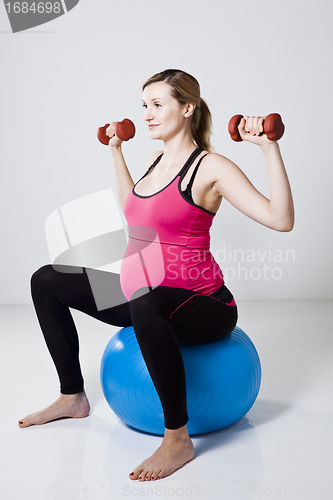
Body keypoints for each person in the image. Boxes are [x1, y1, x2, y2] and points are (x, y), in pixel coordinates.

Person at [18, 69, 294, 481]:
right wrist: (115, 152)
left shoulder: (212, 167)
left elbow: (281, 219)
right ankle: (71, 396)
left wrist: (269, 148)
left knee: (147, 298)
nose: (147, 114)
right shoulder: (154, 160)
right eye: (143, 105)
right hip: (143, 293)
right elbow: (133, 209)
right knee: (47, 280)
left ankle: (177, 438)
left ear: (187, 108)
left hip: (205, 305)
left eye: (157, 104)